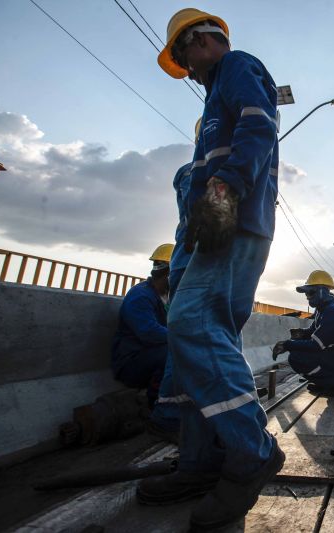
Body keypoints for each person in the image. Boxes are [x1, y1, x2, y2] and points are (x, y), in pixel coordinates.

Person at [137, 8, 284, 530]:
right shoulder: (214, 93)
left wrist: (226, 190)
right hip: (216, 226)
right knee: (199, 344)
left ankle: (253, 449)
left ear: (203, 41)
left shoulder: (239, 66)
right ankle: (202, 463)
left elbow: (260, 126)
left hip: (234, 223)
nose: (186, 69)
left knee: (191, 324)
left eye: (183, 57)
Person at [147, 119, 200, 442]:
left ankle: (181, 412)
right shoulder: (196, 173)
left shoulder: (194, 172)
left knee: (192, 342)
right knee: (189, 342)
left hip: (194, 266)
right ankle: (170, 415)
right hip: (198, 266)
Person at [272, 270, 334, 397]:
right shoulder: (323, 310)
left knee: (296, 357)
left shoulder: (332, 312)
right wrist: (301, 333)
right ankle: (327, 384)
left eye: (311, 292)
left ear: (323, 291)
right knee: (297, 349)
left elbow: (315, 345)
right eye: (306, 293)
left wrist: (287, 345)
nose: (308, 296)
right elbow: (313, 331)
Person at [111, 244, 173, 407]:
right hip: (131, 364)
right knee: (174, 353)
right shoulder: (140, 296)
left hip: (151, 357)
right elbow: (149, 332)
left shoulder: (168, 296)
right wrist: (181, 336)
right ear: (168, 274)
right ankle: (155, 405)